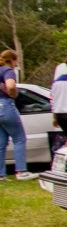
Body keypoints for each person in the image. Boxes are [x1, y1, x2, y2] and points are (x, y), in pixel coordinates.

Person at [0, 49, 38, 181]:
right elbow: (10, 85)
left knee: (1, 142)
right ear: (13, 60)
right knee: (19, 138)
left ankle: (1, 174)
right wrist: (13, 92)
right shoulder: (8, 71)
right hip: (5, 105)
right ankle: (21, 171)